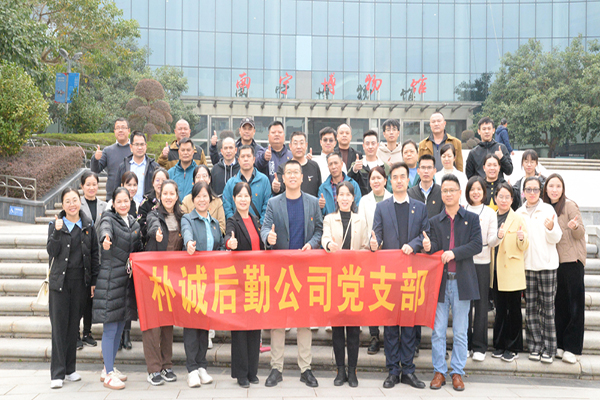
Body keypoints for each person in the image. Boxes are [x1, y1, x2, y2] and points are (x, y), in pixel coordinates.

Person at [260, 160, 323, 388]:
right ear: (283, 177)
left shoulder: (313, 202)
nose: (293, 176)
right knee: (278, 321)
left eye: (297, 172)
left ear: (302, 177)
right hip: (280, 271)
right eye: (289, 172)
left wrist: (312, 243)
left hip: (304, 270)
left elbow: (319, 230)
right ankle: (276, 368)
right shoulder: (273, 203)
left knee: (304, 321)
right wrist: (268, 238)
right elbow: (265, 228)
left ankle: (305, 368)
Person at [370, 162, 429, 390]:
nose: (399, 180)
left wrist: (414, 244)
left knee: (409, 325)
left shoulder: (420, 207)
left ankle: (409, 370)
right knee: (391, 326)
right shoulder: (382, 208)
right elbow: (377, 236)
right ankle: (393, 371)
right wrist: (374, 244)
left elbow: (425, 235)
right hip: (390, 276)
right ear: (389, 181)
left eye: (403, 176)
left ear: (408, 179)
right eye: (395, 177)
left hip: (412, 275)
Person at [427, 174, 482, 392]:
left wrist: (454, 253)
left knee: (460, 331)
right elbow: (433, 247)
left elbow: (477, 244)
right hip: (440, 283)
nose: (448, 194)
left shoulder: (471, 218)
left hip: (462, 282)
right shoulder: (434, 221)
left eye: (452, 190)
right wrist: (428, 246)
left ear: (460, 193)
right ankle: (439, 371)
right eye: (445, 191)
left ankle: (457, 372)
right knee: (438, 331)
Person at [47, 187, 99, 389]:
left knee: (72, 327)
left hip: (80, 283)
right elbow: (51, 251)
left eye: (74, 200)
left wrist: (93, 281)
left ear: (80, 201)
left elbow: (94, 254)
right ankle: (57, 373)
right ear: (62, 204)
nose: (72, 204)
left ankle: (70, 370)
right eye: (67, 201)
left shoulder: (88, 225)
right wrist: (57, 231)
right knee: (59, 328)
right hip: (60, 283)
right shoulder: (56, 224)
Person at [93, 187, 142, 389]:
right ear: (113, 203)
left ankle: (109, 367)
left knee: (120, 326)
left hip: (126, 282)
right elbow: (105, 230)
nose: (123, 204)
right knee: (111, 327)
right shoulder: (108, 218)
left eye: (126, 201)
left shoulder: (133, 222)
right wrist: (105, 238)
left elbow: (138, 248)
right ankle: (108, 374)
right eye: (119, 201)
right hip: (110, 280)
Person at [322, 181, 369, 388]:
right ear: (337, 198)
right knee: (337, 328)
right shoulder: (329, 218)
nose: (344, 198)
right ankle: (340, 370)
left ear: (353, 198)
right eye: (341, 194)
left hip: (355, 280)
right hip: (335, 280)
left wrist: (370, 248)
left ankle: (352, 370)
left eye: (347, 195)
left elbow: (366, 246)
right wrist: (328, 245)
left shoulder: (360, 220)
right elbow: (324, 238)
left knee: (353, 329)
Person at [181, 181, 223, 388]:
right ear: (193, 199)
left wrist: (227, 247)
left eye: (205, 196)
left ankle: (202, 366)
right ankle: (191, 369)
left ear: (210, 199)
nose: (202, 200)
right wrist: (189, 244)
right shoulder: (188, 218)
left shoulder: (214, 223)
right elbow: (187, 235)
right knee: (191, 325)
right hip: (192, 279)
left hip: (210, 281)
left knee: (205, 325)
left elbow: (219, 246)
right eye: (198, 196)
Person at [516, 177, 562, 364]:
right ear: (523, 192)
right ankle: (535, 346)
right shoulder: (519, 213)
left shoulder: (548, 209)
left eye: (535, 189)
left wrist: (551, 228)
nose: (532, 193)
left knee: (548, 309)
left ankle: (549, 348)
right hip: (527, 267)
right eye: (529, 189)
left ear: (540, 191)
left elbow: (556, 238)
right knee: (531, 309)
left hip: (547, 265)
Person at [223, 182, 264, 387]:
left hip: (256, 281)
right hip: (239, 283)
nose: (243, 199)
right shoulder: (233, 221)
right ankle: (241, 373)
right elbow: (227, 238)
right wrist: (229, 244)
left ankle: (252, 371)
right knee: (240, 330)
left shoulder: (255, 220)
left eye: (246, 195)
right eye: (239, 196)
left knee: (254, 328)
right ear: (234, 199)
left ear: (250, 198)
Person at [542, 174, 586, 364]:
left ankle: (572, 347)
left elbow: (581, 233)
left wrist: (574, 227)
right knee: (559, 305)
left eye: (558, 186)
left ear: (563, 189)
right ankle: (560, 344)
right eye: (551, 186)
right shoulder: (545, 207)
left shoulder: (569, 205)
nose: (554, 190)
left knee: (574, 305)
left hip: (572, 261)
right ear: (546, 189)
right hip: (555, 262)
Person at [143, 180, 183, 385]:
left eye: (171, 193)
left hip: (172, 278)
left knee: (168, 322)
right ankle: (153, 368)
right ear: (159, 196)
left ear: (177, 196)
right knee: (152, 323)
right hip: (152, 276)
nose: (168, 197)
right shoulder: (153, 215)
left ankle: (167, 365)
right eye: (164, 193)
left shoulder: (182, 217)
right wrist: (156, 233)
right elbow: (152, 227)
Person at [491, 183, 528, 362]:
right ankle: (499, 345)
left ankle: (513, 347)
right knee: (499, 310)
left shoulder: (518, 217)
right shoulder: (492, 217)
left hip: (512, 270)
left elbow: (525, 244)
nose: (504, 200)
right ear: (495, 198)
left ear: (512, 200)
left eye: (507, 197)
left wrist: (521, 238)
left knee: (513, 310)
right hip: (496, 270)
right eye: (501, 196)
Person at [464, 176, 500, 362]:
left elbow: (492, 241)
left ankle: (479, 346)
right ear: (468, 192)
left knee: (481, 305)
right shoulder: (462, 210)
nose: (475, 192)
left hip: (483, 263)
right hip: (465, 263)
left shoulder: (490, 213)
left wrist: (499, 236)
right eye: (472, 189)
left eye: (479, 189)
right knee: (464, 306)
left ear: (484, 192)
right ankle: (465, 344)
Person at [357, 166, 392, 356]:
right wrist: (368, 245)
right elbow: (362, 226)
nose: (376, 181)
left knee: (387, 294)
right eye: (373, 178)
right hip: (370, 253)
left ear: (385, 180)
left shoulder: (392, 198)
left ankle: (389, 334)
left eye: (379, 178)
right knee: (372, 295)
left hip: (389, 253)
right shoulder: (364, 201)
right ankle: (374, 336)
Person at [78, 170, 108, 349]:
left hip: (98, 257)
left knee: (91, 297)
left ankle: (87, 332)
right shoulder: (76, 204)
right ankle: (75, 333)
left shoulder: (104, 205)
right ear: (82, 186)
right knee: (79, 298)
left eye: (94, 184)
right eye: (88, 184)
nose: (91, 187)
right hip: (80, 257)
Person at [222, 145, 271, 223]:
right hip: (237, 227)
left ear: (254, 159)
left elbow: (267, 206)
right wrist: (235, 225)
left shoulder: (264, 180)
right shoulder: (231, 183)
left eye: (248, 156)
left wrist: (260, 226)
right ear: (238, 160)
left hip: (259, 227)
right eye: (243, 156)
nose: (245, 159)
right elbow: (227, 208)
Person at [91, 118, 132, 201]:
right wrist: (95, 158)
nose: (120, 130)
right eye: (118, 128)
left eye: (123, 127)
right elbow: (95, 170)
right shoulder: (108, 150)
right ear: (114, 131)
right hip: (112, 197)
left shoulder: (135, 149)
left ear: (129, 130)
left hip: (132, 196)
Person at [272, 131, 321, 197]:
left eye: (301, 143)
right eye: (295, 143)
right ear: (290, 146)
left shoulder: (314, 166)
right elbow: (279, 190)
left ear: (306, 145)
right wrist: (276, 188)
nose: (298, 147)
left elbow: (319, 191)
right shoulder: (283, 167)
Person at [115, 131, 159, 204]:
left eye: (142, 144)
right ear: (131, 147)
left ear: (146, 146)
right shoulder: (123, 167)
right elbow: (117, 189)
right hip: (127, 207)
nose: (140, 147)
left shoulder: (154, 167)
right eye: (136, 144)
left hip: (148, 208)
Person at [181, 165, 226, 234]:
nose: (201, 179)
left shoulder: (217, 201)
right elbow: (184, 224)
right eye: (198, 176)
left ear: (209, 179)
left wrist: (209, 236)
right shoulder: (187, 200)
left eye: (204, 176)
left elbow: (222, 226)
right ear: (194, 180)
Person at [348, 130, 387, 196]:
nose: (370, 147)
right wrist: (354, 170)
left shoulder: (385, 167)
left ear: (377, 145)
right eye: (367, 144)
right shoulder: (356, 165)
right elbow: (348, 182)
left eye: (373, 143)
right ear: (363, 146)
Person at [138, 168, 168, 244]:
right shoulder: (145, 202)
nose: (160, 183)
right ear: (153, 183)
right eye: (157, 180)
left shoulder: (172, 200)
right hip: (150, 242)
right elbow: (141, 224)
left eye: (163, 181)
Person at [407, 154, 443, 219]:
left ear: (434, 171)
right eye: (423, 168)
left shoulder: (441, 192)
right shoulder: (410, 193)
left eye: (429, 168)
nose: (426, 171)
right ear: (418, 171)